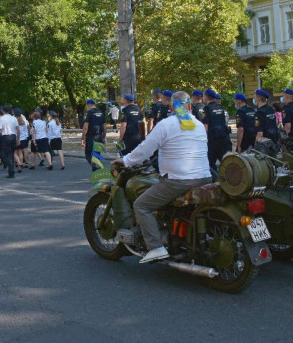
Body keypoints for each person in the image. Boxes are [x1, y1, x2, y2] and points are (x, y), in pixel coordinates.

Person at [113, 91, 211, 264]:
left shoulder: (167, 124)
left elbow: (145, 149)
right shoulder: (198, 124)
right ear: (189, 105)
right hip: (205, 178)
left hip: (178, 180)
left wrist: (126, 160)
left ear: (171, 106)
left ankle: (156, 247)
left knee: (141, 205)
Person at [203, 88, 231, 167]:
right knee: (226, 163)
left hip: (212, 140)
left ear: (206, 97)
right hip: (223, 139)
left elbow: (206, 127)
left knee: (210, 165)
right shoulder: (221, 108)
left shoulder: (206, 109)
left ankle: (215, 178)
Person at [81, 99, 106, 171]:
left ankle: (96, 167)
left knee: (88, 154)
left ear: (89, 105)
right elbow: (104, 126)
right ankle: (97, 168)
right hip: (99, 136)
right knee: (97, 154)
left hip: (91, 137)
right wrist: (104, 137)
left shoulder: (89, 113)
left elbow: (86, 127)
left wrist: (82, 138)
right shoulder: (101, 112)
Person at [0, 105, 19, 177]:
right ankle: (11, 170)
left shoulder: (1, 119)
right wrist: (18, 139)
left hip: (5, 137)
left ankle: (11, 171)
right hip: (13, 136)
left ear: (3, 111)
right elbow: (18, 130)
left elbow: (0, 130)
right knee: (11, 153)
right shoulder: (14, 118)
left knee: (7, 154)